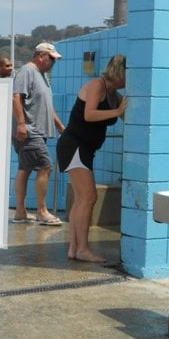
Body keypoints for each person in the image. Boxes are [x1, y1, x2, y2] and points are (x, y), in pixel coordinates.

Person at [56, 54, 128, 263]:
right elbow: (89, 114)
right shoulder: (98, 85)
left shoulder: (114, 94)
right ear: (120, 72)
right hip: (74, 145)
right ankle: (83, 250)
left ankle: (74, 248)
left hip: (84, 149)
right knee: (89, 198)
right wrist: (117, 110)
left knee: (81, 200)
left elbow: (126, 113)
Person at [11, 42, 66, 225]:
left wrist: (60, 127)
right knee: (46, 166)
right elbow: (16, 96)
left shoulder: (43, 76)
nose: (53, 63)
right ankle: (42, 211)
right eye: (51, 59)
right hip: (29, 131)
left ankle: (20, 212)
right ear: (41, 56)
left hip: (36, 131)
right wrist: (21, 124)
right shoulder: (27, 71)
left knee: (25, 169)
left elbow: (47, 107)